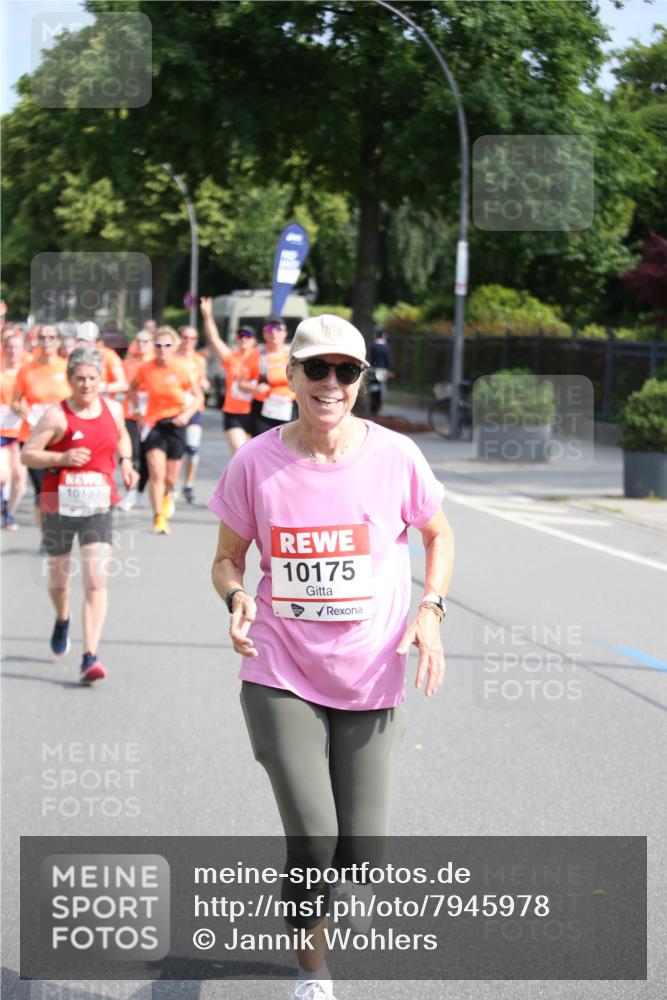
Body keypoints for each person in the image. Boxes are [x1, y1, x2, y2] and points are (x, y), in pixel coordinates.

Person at [208, 314, 454, 999]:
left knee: (362, 856)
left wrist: (429, 609)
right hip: (279, 672)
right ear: (290, 377)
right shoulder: (256, 460)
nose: (331, 383)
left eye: (347, 371)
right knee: (314, 841)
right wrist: (235, 600)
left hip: (371, 676)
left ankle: (314, 894)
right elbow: (227, 561)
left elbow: (439, 535)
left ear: (359, 381)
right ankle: (312, 973)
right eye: (317, 369)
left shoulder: (394, 456)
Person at [21, 345, 138, 683]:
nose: (87, 384)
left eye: (92, 378)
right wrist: (61, 458)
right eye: (80, 378)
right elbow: (29, 454)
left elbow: (122, 439)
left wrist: (127, 463)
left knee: (96, 581)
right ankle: (62, 618)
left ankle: (90, 655)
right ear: (70, 380)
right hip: (58, 504)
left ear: (101, 380)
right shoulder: (56, 416)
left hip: (97, 506)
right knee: (59, 582)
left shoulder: (113, 410)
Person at [128, 326, 202, 534]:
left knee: (170, 478)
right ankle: (158, 517)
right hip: (154, 425)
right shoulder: (145, 368)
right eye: (158, 345)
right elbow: (132, 389)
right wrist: (138, 414)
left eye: (167, 345)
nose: (162, 349)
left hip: (176, 425)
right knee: (156, 472)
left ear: (174, 346)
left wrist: (186, 416)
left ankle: (167, 495)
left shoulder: (181, 370)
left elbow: (198, 397)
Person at [12, 324, 70, 541]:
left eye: (51, 337)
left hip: (62, 437)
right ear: (37, 341)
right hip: (33, 436)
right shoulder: (27, 369)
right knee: (42, 490)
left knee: (60, 489)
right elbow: (15, 402)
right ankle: (47, 536)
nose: (46, 341)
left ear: (57, 341)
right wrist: (24, 411)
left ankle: (59, 529)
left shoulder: (66, 368)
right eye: (42, 337)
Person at [200, 296, 260, 455]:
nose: (244, 339)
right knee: (240, 452)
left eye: (248, 336)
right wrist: (207, 315)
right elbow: (214, 339)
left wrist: (252, 386)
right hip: (233, 412)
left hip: (255, 412)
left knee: (254, 457)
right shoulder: (231, 358)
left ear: (254, 340)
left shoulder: (261, 357)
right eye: (241, 336)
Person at [117, 329, 154, 512]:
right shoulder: (127, 364)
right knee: (132, 453)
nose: (142, 345)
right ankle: (129, 490)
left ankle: (141, 491)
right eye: (139, 341)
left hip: (151, 415)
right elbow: (123, 386)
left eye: (146, 342)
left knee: (148, 455)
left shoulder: (156, 363)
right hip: (130, 414)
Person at [176, 325, 210, 503]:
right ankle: (172, 483)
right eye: (185, 337)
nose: (188, 342)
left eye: (192, 338)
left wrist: (204, 383)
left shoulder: (199, 360)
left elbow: (203, 378)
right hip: (175, 408)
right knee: (176, 449)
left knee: (192, 448)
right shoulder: (173, 358)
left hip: (195, 407)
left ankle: (188, 485)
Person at [251, 314, 296, 435]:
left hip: (289, 406)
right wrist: (255, 386)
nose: (274, 333)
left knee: (289, 447)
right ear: (264, 333)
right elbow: (241, 381)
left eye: (278, 329)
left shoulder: (294, 354)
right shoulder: (255, 355)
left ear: (285, 332)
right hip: (263, 408)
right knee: (263, 448)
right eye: (269, 329)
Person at [1, 331, 28, 529]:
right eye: (9, 346)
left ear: (22, 349)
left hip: (22, 431)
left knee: (20, 477)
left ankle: (10, 512)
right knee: (3, 475)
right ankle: (4, 502)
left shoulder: (27, 372)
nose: (12, 351)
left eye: (16, 347)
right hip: (2, 430)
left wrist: (23, 408)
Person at [75, 321, 128, 397]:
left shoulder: (108, 355)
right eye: (80, 340)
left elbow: (122, 384)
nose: (83, 343)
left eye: (87, 340)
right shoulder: (75, 355)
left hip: (102, 401)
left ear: (96, 340)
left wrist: (101, 387)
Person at [367, 326, 395, 416]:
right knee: (381, 389)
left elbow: (371, 358)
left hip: (373, 370)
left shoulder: (373, 345)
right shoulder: (386, 347)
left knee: (373, 388)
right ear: (383, 335)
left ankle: (373, 407)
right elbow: (388, 360)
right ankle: (378, 408)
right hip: (382, 371)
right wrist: (390, 370)